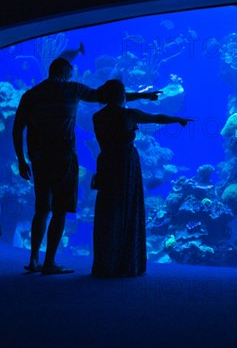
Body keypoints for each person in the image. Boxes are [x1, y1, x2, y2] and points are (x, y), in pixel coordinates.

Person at [13, 57, 160, 275]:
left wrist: (22, 159)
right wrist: (144, 96)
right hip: (64, 158)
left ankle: (34, 258)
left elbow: (18, 129)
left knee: (42, 208)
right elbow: (109, 98)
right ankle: (49, 262)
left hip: (40, 158)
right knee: (60, 209)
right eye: (70, 72)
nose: (72, 75)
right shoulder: (72, 89)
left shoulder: (31, 94)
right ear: (64, 72)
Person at [91, 79, 192, 278]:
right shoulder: (129, 114)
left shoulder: (97, 116)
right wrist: (178, 119)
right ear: (122, 96)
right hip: (125, 164)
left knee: (109, 209)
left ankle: (106, 262)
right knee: (127, 207)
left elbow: (117, 99)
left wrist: (143, 95)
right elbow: (158, 118)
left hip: (106, 162)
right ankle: (127, 262)